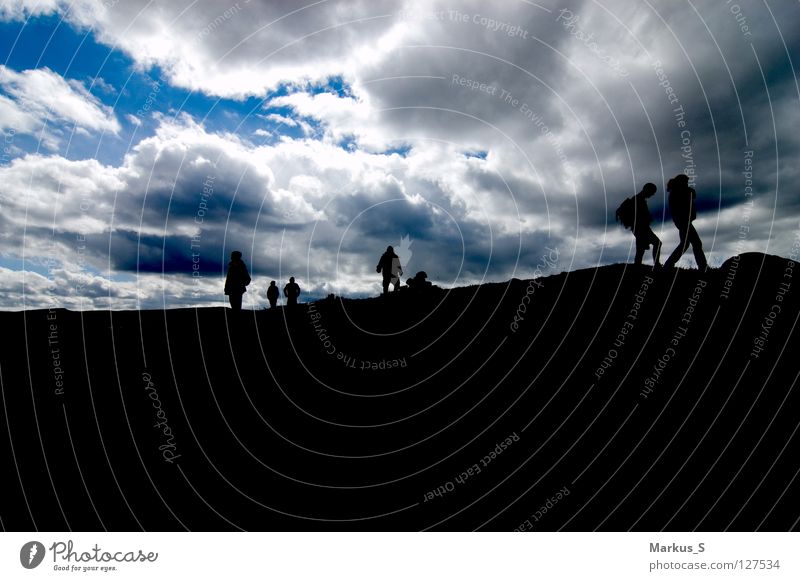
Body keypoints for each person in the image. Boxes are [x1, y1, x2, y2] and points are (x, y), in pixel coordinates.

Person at [663, 174, 707, 270]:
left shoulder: (678, 191)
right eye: (685, 182)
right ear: (680, 182)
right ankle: (703, 267)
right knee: (696, 243)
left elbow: (692, 194)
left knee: (685, 244)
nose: (687, 184)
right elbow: (690, 196)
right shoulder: (677, 192)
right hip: (683, 221)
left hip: (683, 221)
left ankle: (669, 264)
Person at [631, 183, 662, 267]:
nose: (652, 195)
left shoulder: (638, 199)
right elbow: (639, 215)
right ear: (647, 190)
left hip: (640, 228)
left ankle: (639, 266)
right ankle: (656, 264)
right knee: (656, 243)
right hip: (641, 228)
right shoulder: (638, 199)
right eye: (652, 192)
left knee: (641, 249)